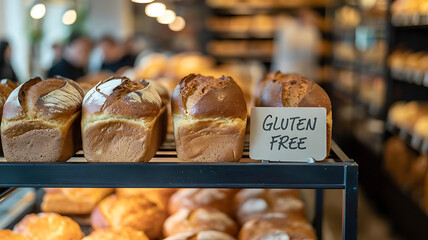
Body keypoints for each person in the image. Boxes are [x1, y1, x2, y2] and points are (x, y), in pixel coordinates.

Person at [272, 9, 321, 80]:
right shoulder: (287, 29)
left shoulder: (311, 30)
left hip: (304, 72)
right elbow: (285, 51)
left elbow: (312, 55)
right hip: (286, 70)